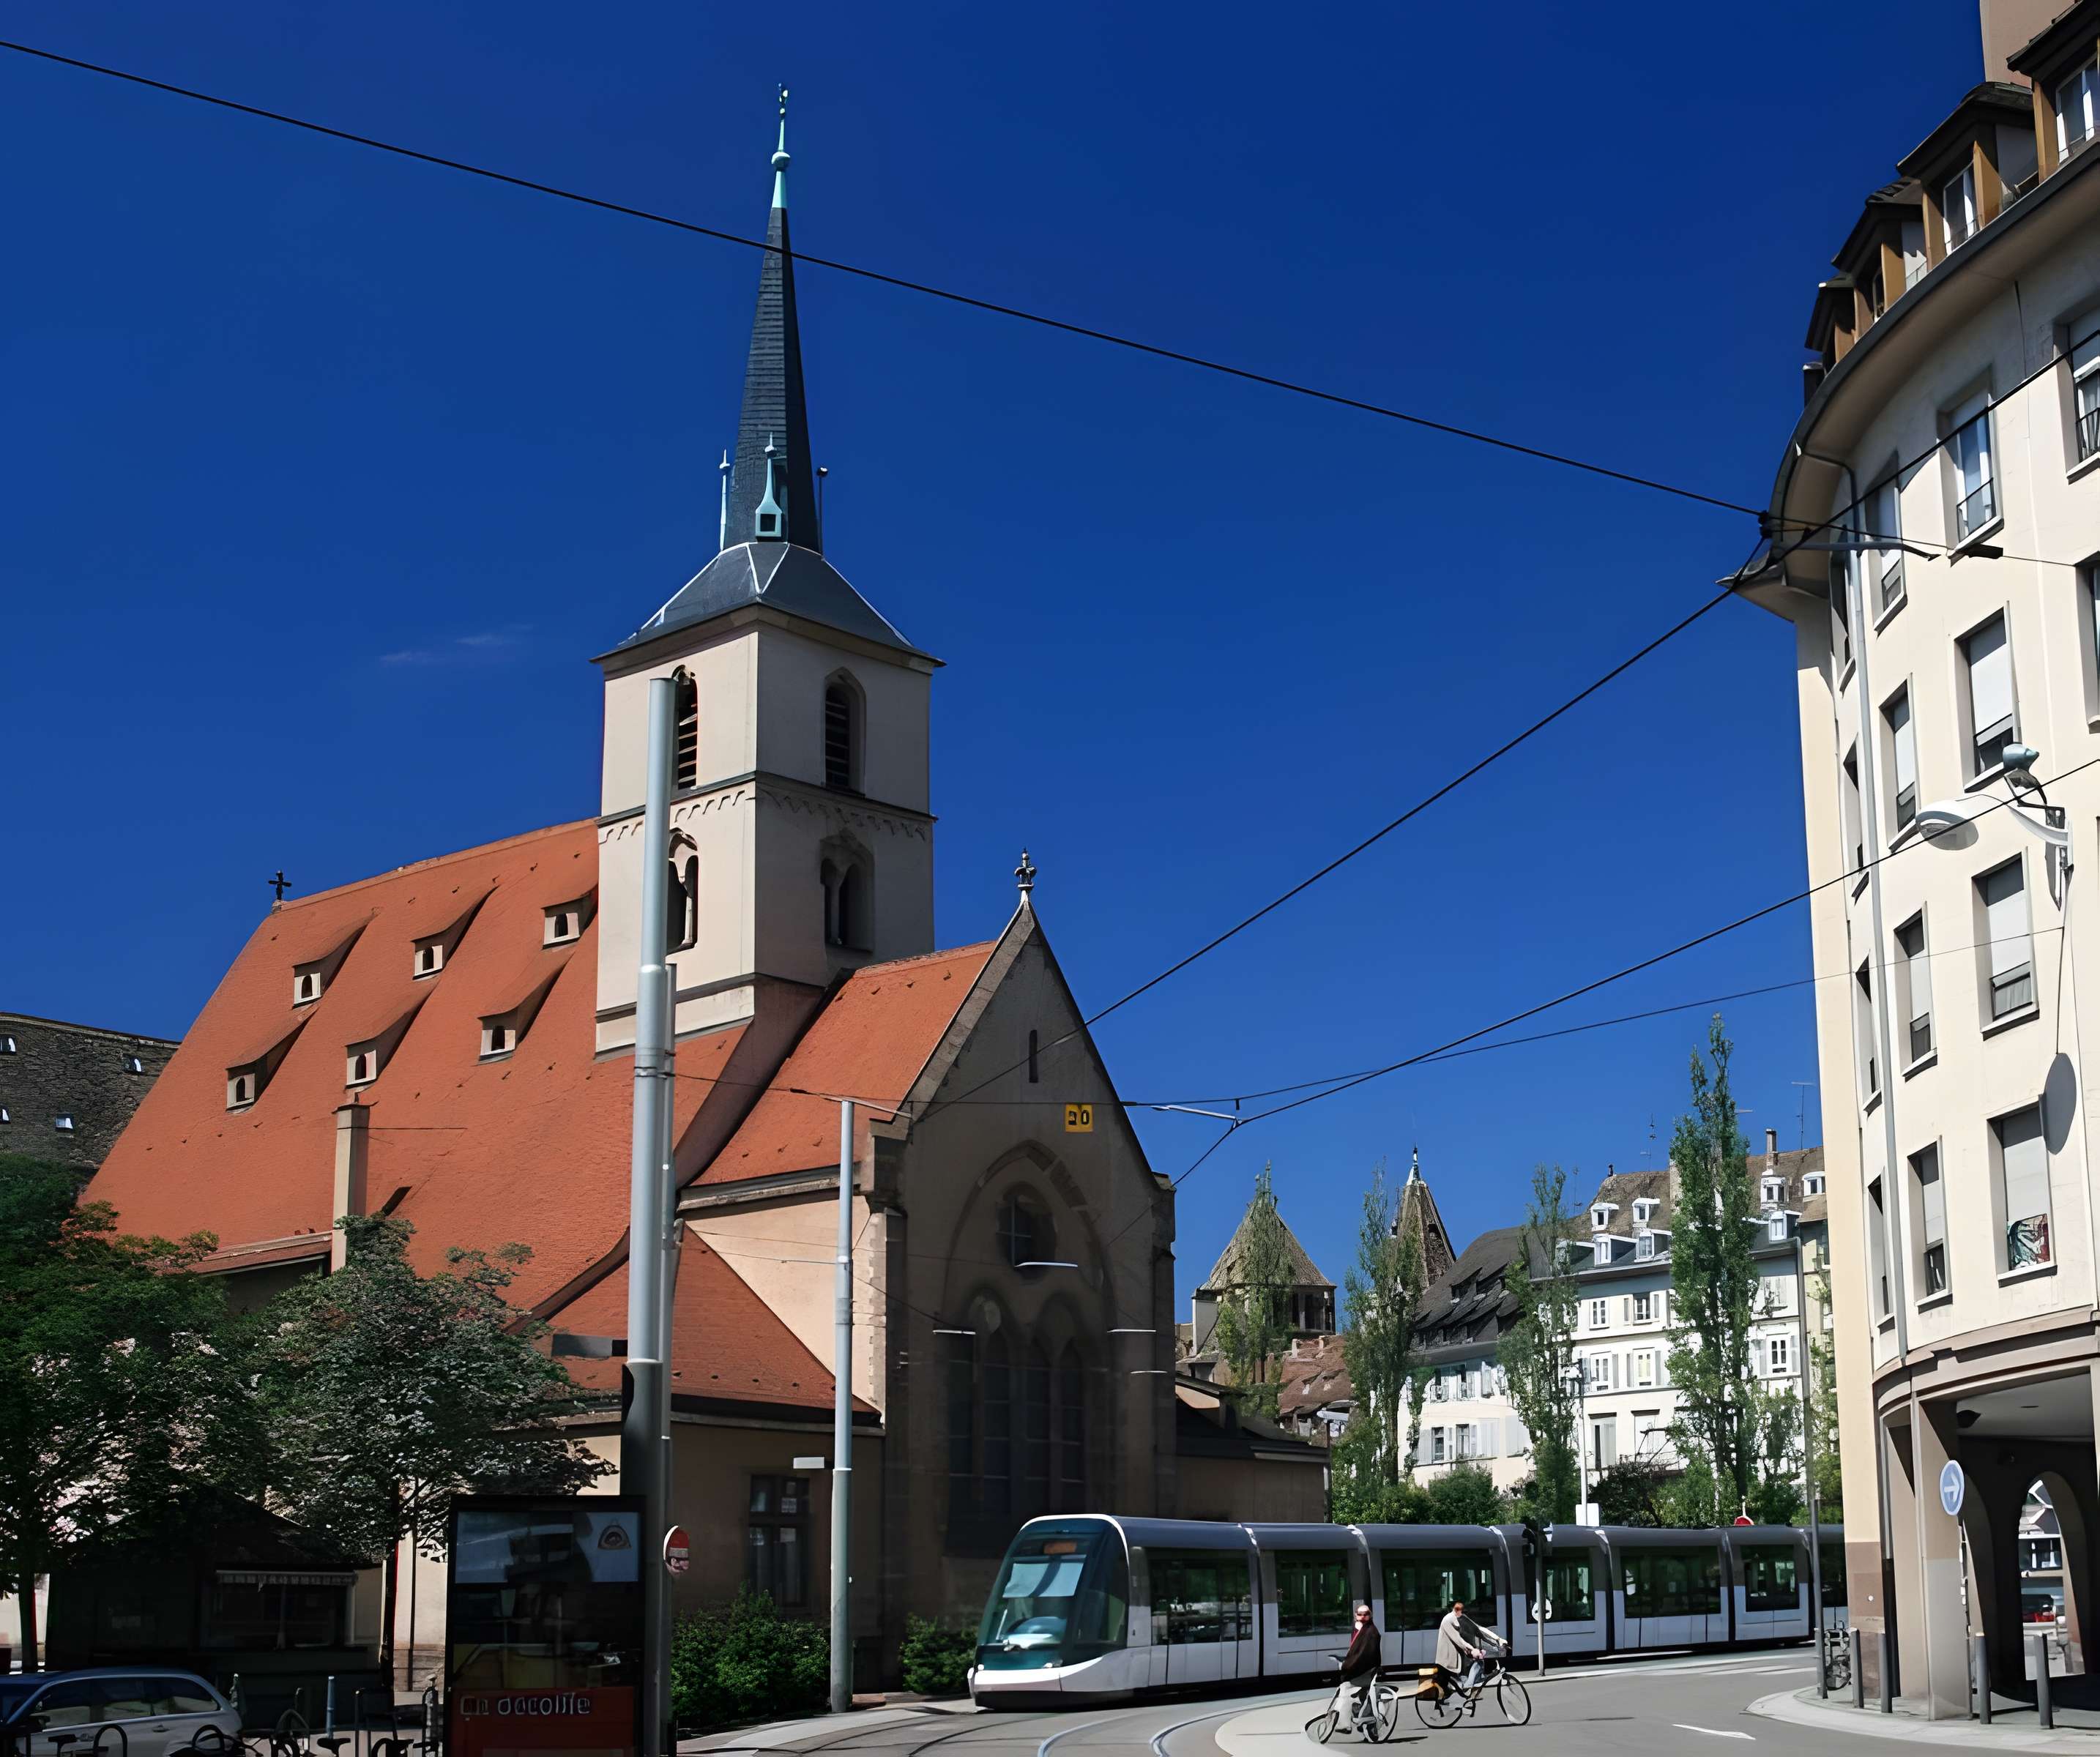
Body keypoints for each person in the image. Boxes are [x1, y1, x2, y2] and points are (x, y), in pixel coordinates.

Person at [1435, 1598, 1505, 1707]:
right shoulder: (1447, 1621)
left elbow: (1479, 1629)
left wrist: (1497, 1639)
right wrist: (1472, 1649)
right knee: (1460, 1683)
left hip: (1463, 1655)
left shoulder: (1462, 1617)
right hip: (1450, 1659)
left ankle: (1469, 1697)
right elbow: (1458, 1640)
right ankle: (1461, 1701)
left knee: (1477, 1668)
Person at [1335, 1602, 1382, 1728]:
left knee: (1346, 1688)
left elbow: (1362, 1656)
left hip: (1366, 1672)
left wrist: (1346, 1667)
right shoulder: (1360, 1630)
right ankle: (1364, 1723)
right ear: (1356, 1616)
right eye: (1359, 1614)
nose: (1362, 1617)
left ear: (1370, 1616)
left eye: (1365, 1615)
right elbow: (1356, 1653)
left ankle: (1344, 1725)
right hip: (1366, 1671)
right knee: (1358, 1694)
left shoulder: (1370, 1633)